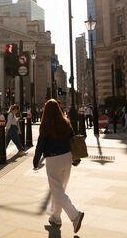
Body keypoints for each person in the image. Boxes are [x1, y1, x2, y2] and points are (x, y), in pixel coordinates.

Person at [33, 99, 84, 233]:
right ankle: (56, 217)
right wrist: (75, 157)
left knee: (57, 191)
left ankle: (75, 215)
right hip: (67, 157)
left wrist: (36, 160)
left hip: (53, 159)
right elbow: (73, 139)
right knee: (60, 189)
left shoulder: (46, 124)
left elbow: (41, 144)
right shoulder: (65, 122)